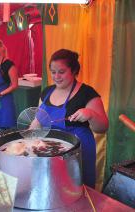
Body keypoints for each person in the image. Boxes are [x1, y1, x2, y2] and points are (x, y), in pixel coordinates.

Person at [36, 49, 108, 188]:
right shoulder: (46, 92)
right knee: (53, 189)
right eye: (53, 71)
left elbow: (103, 127)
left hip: (78, 152)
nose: (56, 76)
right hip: (49, 151)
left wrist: (91, 114)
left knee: (77, 189)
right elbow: (37, 121)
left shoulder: (87, 93)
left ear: (74, 70)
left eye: (61, 72)